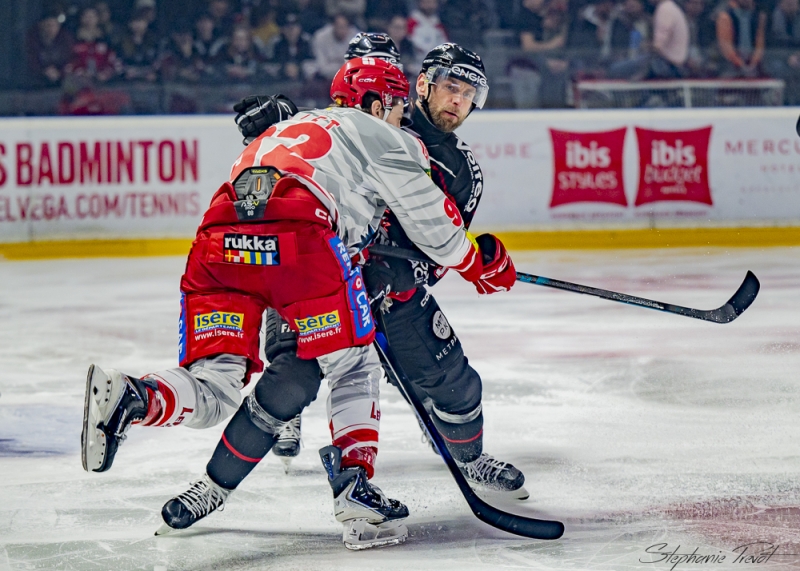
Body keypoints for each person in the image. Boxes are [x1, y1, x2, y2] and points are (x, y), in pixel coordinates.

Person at [81, 56, 516, 550]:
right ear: (378, 103)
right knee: (353, 364)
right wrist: (477, 263)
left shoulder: (294, 124)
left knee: (217, 383)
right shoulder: (387, 135)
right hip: (300, 245)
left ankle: (135, 397)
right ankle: (354, 490)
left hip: (220, 238)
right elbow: (438, 231)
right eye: (395, 107)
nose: (401, 117)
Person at [229, 40, 529, 500]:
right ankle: (284, 411)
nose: (458, 101)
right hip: (324, 276)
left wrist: (419, 270)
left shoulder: (461, 169)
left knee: (456, 384)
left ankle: (469, 459)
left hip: (392, 293)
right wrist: (275, 126)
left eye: (469, 95)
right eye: (451, 87)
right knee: (293, 366)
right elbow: (302, 160)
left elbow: (440, 251)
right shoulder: (372, 117)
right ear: (423, 85)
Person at [716, 0, 767, 77]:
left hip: (754, 66)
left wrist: (753, 62)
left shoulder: (758, 16)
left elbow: (760, 44)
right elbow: (725, 46)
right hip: (729, 65)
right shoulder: (725, 16)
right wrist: (740, 64)